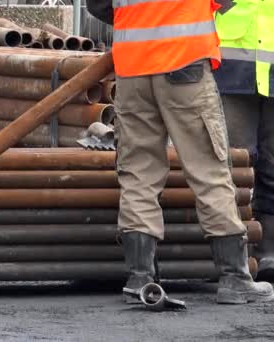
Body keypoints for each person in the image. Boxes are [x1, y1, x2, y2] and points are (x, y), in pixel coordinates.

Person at [86, 0, 274, 304]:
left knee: (138, 172)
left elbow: (97, 5)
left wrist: (140, 23)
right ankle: (234, 277)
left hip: (133, 68)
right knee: (209, 168)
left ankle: (140, 277)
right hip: (184, 64)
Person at [213, 0, 274, 280]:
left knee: (272, 169)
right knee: (235, 169)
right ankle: (235, 256)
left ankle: (267, 253)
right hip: (233, 69)